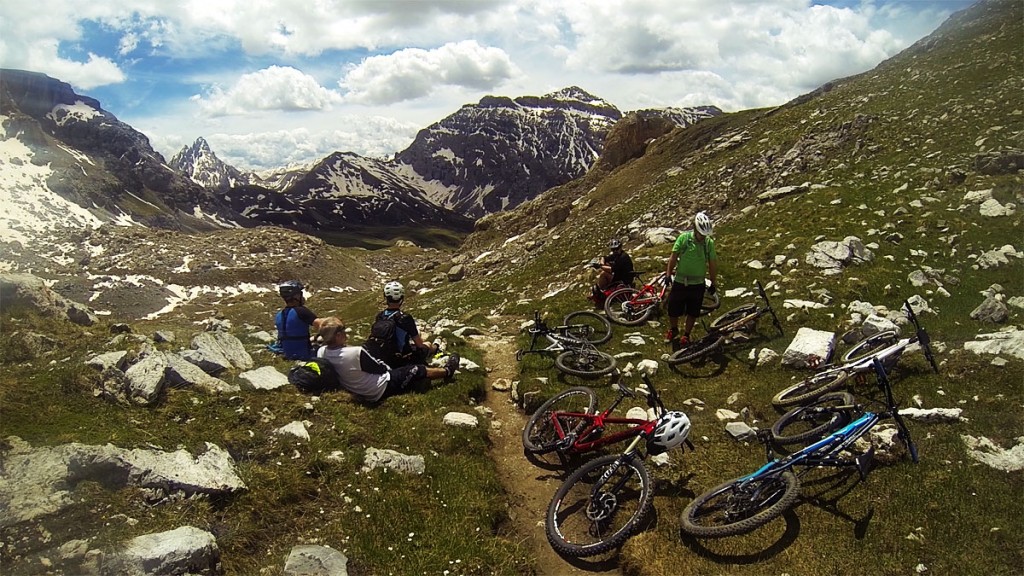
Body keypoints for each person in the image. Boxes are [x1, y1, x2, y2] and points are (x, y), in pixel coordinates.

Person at [317, 317, 459, 403]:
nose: (345, 332)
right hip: (377, 389)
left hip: (355, 387)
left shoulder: (322, 351)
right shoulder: (355, 352)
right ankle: (447, 371)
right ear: (337, 335)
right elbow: (380, 369)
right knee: (417, 369)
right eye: (342, 330)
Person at [665, 211, 718, 348]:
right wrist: (668, 274)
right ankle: (673, 328)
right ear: (695, 228)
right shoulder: (684, 238)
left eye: (704, 235)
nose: (702, 237)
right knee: (673, 308)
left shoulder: (708, 243)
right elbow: (673, 256)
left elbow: (712, 263)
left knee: (693, 311)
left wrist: (713, 281)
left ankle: (686, 335)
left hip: (698, 284)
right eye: (701, 234)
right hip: (681, 281)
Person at [371, 280, 436, 366]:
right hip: (403, 358)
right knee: (427, 344)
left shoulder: (380, 316)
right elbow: (419, 344)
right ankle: (436, 346)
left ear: (386, 298)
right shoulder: (405, 318)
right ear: (401, 298)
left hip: (385, 358)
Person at [273, 280, 322, 360]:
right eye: (300, 294)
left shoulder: (279, 315)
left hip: (288, 355)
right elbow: (321, 325)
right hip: (304, 354)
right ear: (295, 296)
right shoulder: (301, 311)